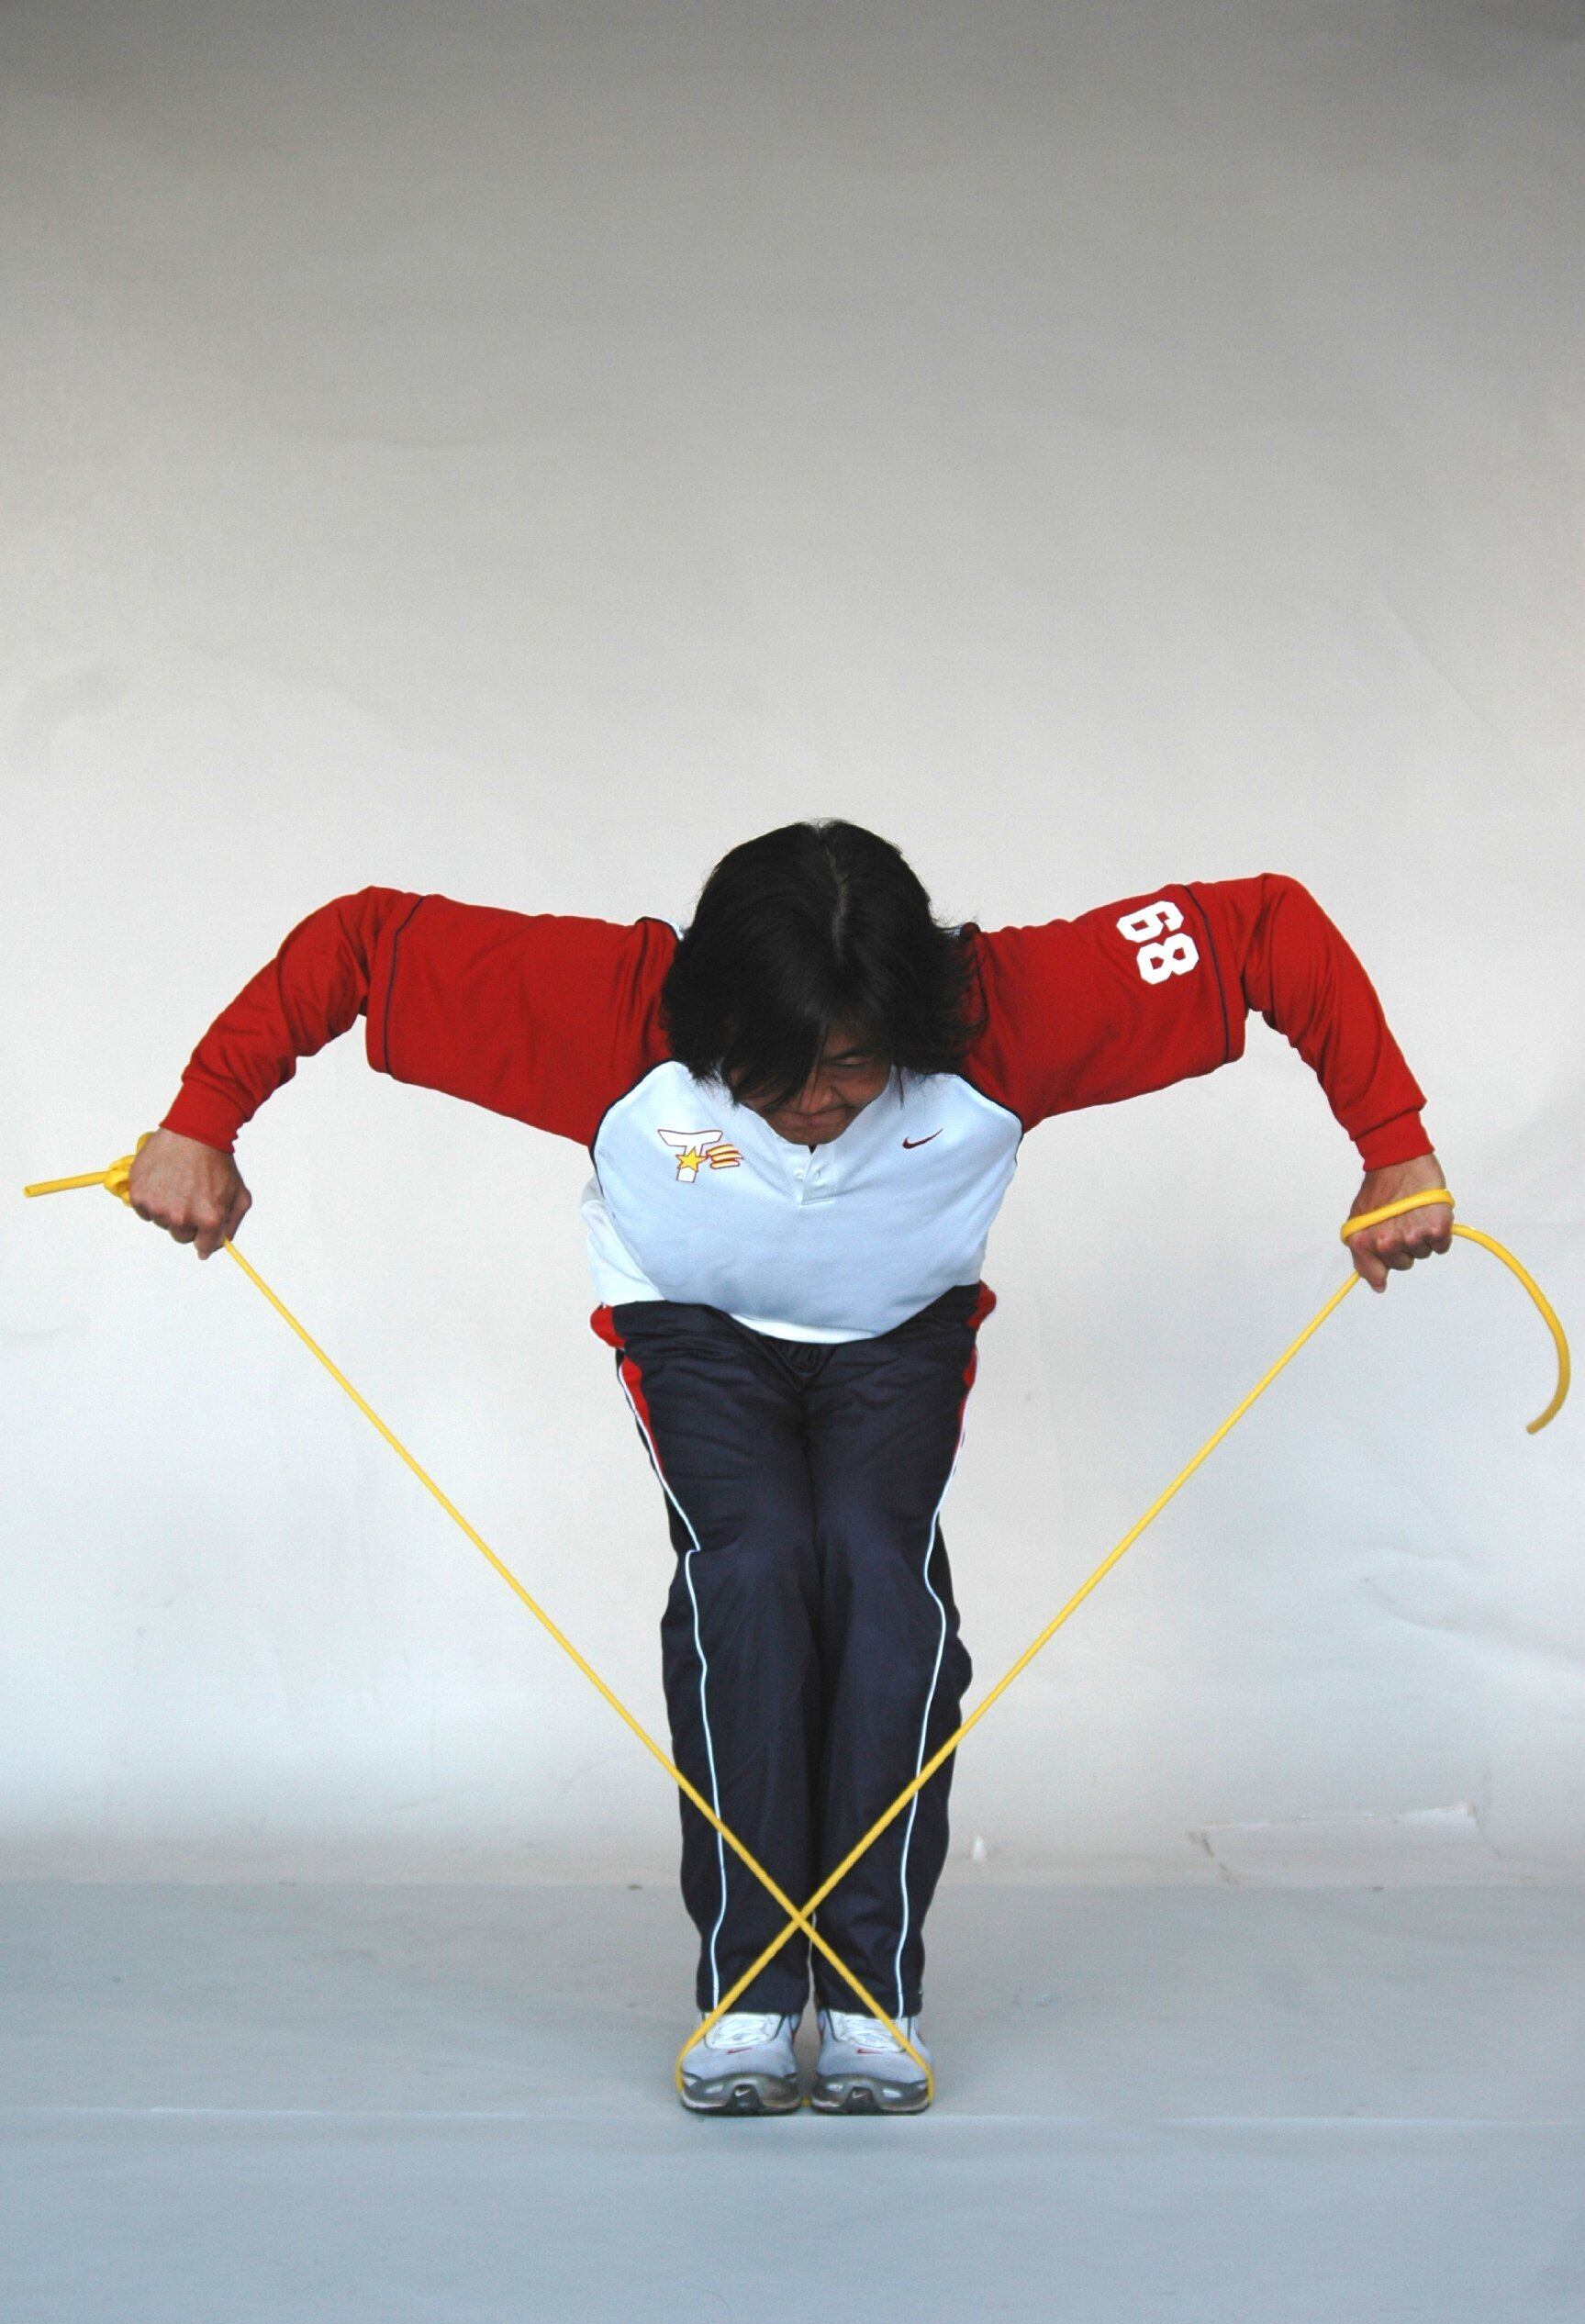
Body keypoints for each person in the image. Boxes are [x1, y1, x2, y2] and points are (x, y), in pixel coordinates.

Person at [127, 820, 1451, 2115]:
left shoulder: (1008, 1014)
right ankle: (752, 1989)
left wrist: (1393, 1142)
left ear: (915, 1025)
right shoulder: (608, 1010)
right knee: (754, 1568)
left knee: (879, 1574)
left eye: (854, 1070)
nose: (816, 1107)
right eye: (775, 1076)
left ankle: (870, 1993)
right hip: (693, 1330)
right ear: (709, 1022)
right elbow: (364, 945)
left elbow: (1260, 930)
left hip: (899, 1336)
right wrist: (204, 1116)